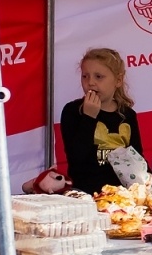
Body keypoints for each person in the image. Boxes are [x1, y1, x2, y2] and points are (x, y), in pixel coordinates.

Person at [60, 48, 144, 194]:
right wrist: (89, 117)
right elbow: (76, 159)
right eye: (85, 76)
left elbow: (137, 157)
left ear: (118, 80)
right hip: (86, 193)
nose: (90, 82)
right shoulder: (73, 111)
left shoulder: (127, 115)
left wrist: (147, 175)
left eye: (98, 77)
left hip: (122, 194)